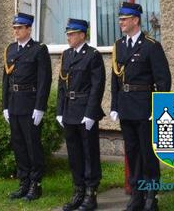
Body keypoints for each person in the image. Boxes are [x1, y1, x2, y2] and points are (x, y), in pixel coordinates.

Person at [110, 2, 171, 211]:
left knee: (147, 153)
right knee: (132, 151)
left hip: (145, 107)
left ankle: (151, 196)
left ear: (135, 20)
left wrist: (159, 108)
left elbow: (163, 80)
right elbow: (115, 79)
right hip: (126, 106)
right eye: (120, 19)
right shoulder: (119, 46)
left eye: (124, 19)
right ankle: (137, 195)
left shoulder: (151, 46)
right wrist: (114, 105)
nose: (121, 23)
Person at [57, 18, 106, 211]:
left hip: (85, 110)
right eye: (67, 34)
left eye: (72, 34)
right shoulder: (66, 55)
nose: (68, 37)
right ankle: (78, 191)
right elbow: (62, 85)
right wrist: (59, 111)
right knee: (74, 153)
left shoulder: (92, 55)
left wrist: (91, 113)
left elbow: (97, 86)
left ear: (82, 35)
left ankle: (91, 193)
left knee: (89, 153)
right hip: (69, 111)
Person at [2, 12, 52, 201]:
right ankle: (23, 182)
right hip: (14, 104)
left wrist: (40, 107)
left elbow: (44, 81)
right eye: (14, 28)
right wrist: (5, 105)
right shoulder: (10, 49)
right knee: (19, 146)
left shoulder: (39, 49)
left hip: (30, 105)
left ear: (28, 29)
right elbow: (5, 80)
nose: (16, 31)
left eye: (19, 28)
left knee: (33, 146)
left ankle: (35, 184)